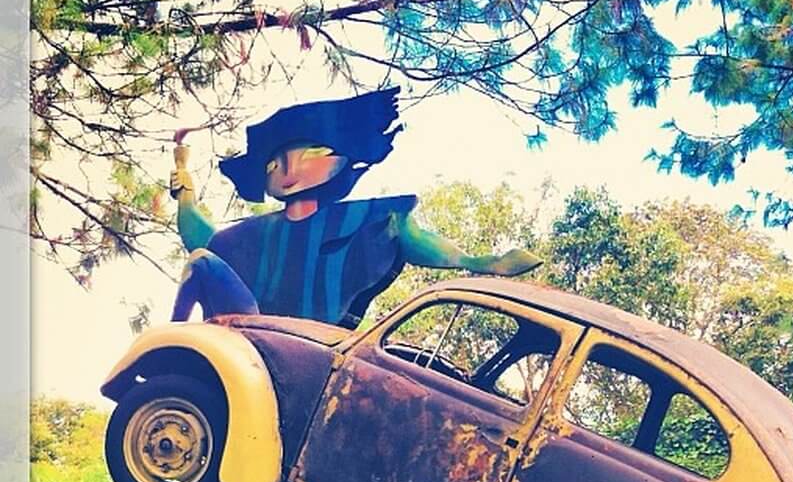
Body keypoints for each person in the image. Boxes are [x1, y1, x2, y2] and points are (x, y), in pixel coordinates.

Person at [169, 87, 541, 327]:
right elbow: (206, 242)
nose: (290, 171)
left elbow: (407, 235)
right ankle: (178, 348)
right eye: (274, 164)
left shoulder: (363, 218)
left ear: (343, 159)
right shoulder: (256, 234)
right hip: (251, 331)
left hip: (315, 343)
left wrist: (475, 262)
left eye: (311, 155)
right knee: (202, 261)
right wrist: (185, 189)